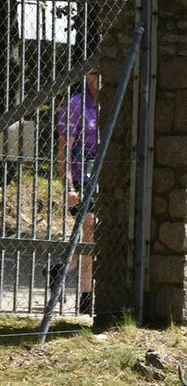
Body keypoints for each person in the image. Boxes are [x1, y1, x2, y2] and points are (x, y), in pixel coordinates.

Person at [54, 69, 99, 315]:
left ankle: (62, 268)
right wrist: (69, 188)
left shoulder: (113, 101)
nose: (101, 78)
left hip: (105, 177)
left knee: (92, 236)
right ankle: (85, 297)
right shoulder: (75, 105)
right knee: (90, 230)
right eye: (96, 73)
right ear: (88, 76)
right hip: (81, 178)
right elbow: (63, 152)